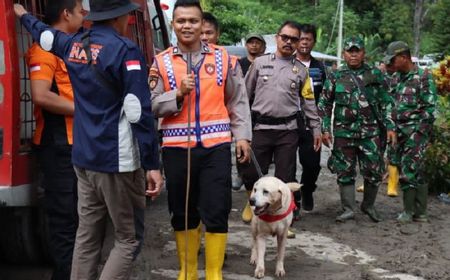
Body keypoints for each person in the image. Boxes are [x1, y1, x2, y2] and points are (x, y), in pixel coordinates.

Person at [14, 1, 164, 279]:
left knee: (86, 235)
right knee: (128, 238)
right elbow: (137, 111)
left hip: (83, 157)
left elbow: (44, 35)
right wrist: (152, 163)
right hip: (116, 160)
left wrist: (23, 15)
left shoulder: (71, 45)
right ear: (121, 17)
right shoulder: (125, 49)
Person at [149, 1, 252, 279]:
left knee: (217, 208)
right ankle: (188, 272)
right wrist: (178, 95)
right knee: (182, 212)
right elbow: (152, 104)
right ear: (173, 24)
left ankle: (214, 273)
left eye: (193, 21)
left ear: (201, 24)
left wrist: (242, 136)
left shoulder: (224, 59)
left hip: (215, 147)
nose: (187, 26)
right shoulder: (161, 62)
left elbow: (238, 101)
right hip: (176, 149)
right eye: (181, 20)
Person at [243, 21, 321, 236]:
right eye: (285, 37)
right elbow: (244, 96)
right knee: (250, 172)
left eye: (294, 39)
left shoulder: (302, 70)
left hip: (288, 129)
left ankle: (282, 220)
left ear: (298, 42)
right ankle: (253, 205)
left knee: (285, 177)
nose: (289, 42)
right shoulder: (260, 64)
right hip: (261, 127)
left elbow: (309, 102)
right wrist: (240, 127)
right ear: (277, 38)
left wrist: (316, 128)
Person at [26, 1, 83, 279]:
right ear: (66, 14)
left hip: (77, 144)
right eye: (80, 11)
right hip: (58, 146)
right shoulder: (45, 49)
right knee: (65, 221)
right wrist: (87, 111)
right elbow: (41, 96)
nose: (84, 16)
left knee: (81, 219)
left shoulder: (72, 48)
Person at [318, 36, 396, 223]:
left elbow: (388, 102)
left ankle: (368, 205)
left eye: (357, 51)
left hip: (371, 132)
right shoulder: (335, 75)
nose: (353, 55)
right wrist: (324, 128)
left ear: (363, 53)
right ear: (344, 54)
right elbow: (324, 104)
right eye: (349, 51)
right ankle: (348, 208)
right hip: (344, 133)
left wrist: (390, 127)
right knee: (344, 170)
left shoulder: (375, 74)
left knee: (374, 170)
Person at [383, 41, 437, 223]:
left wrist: (418, 134)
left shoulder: (423, 77)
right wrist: (390, 127)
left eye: (393, 60)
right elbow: (389, 105)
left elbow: (429, 109)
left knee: (410, 168)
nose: (390, 64)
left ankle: (411, 211)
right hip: (398, 133)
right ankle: (419, 212)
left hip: (416, 133)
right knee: (404, 166)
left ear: (404, 57)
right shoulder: (395, 78)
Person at [294, 23, 326, 213]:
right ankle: (292, 201)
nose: (304, 43)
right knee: (287, 164)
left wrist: (322, 124)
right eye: (301, 39)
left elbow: (327, 96)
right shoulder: (287, 63)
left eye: (308, 39)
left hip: (312, 123)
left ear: (313, 42)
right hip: (289, 121)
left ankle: (307, 190)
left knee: (312, 164)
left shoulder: (320, 68)